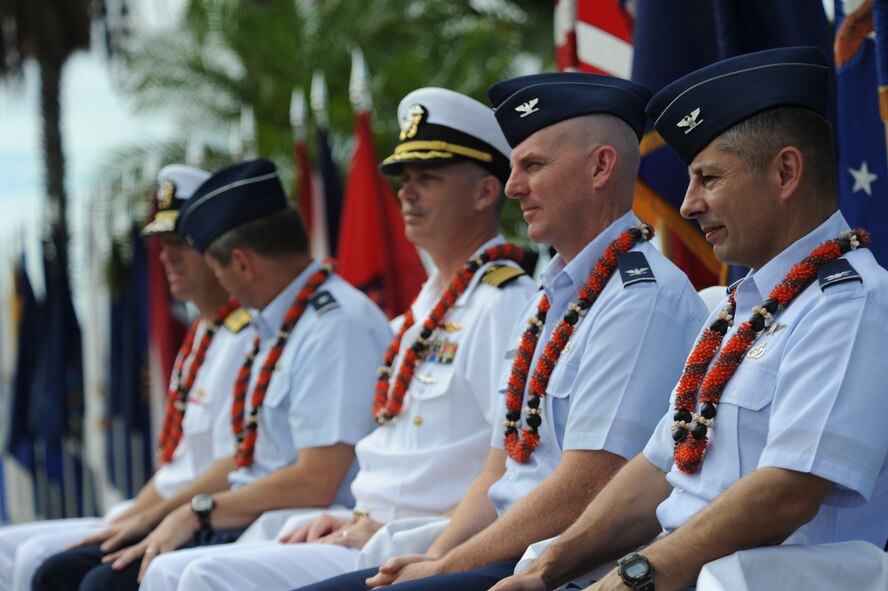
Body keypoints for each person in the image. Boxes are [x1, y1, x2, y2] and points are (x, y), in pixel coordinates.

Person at [490, 46, 888, 591]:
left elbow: (787, 492)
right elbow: (658, 468)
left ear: (786, 172)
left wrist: (636, 575)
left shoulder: (854, 303)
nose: (687, 204)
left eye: (708, 177)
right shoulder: (735, 310)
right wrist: (549, 566)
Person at [296, 72, 708, 591]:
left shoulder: (642, 298)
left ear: (601, 166)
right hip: (504, 553)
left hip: (570, 569)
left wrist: (448, 567)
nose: (513, 187)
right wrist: (437, 556)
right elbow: (497, 474)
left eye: (533, 165)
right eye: (514, 168)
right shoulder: (549, 298)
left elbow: (587, 485)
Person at [136, 86, 539, 591]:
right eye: (405, 178)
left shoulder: (501, 303)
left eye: (427, 178)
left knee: (198, 576)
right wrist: (358, 519)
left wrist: (418, 546)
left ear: (485, 193)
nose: (406, 193)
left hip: (427, 542)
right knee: (179, 572)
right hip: (366, 529)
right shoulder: (425, 308)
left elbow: (508, 470)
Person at [32, 159, 392, 591]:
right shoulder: (278, 325)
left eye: (217, 267)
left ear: (242, 263)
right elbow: (247, 458)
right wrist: (162, 514)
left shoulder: (335, 325)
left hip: (294, 524)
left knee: (98, 583)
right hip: (246, 514)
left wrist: (195, 511)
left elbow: (317, 480)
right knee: (65, 573)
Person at [0, 164, 252, 591]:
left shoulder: (249, 337)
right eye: (161, 243)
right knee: (19, 551)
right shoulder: (201, 339)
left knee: (65, 572)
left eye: (180, 243)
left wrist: (148, 516)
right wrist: (138, 513)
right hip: (171, 506)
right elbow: (179, 462)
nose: (166, 256)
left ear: (217, 248)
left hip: (212, 514)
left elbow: (239, 461)